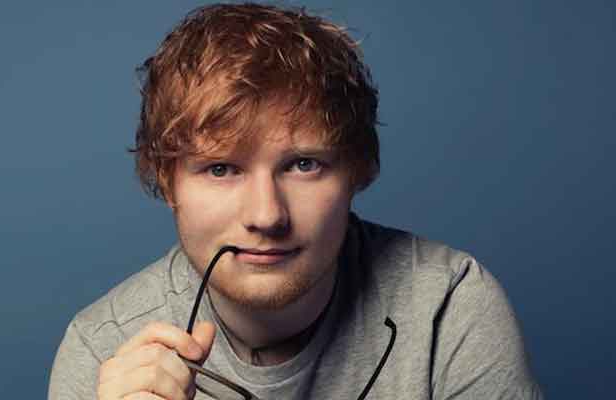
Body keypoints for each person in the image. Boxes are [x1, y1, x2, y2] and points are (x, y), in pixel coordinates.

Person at [48, 3, 543, 399]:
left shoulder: (448, 308)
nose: (267, 216)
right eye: (220, 169)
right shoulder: (103, 349)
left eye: (304, 165)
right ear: (167, 181)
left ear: (359, 168)